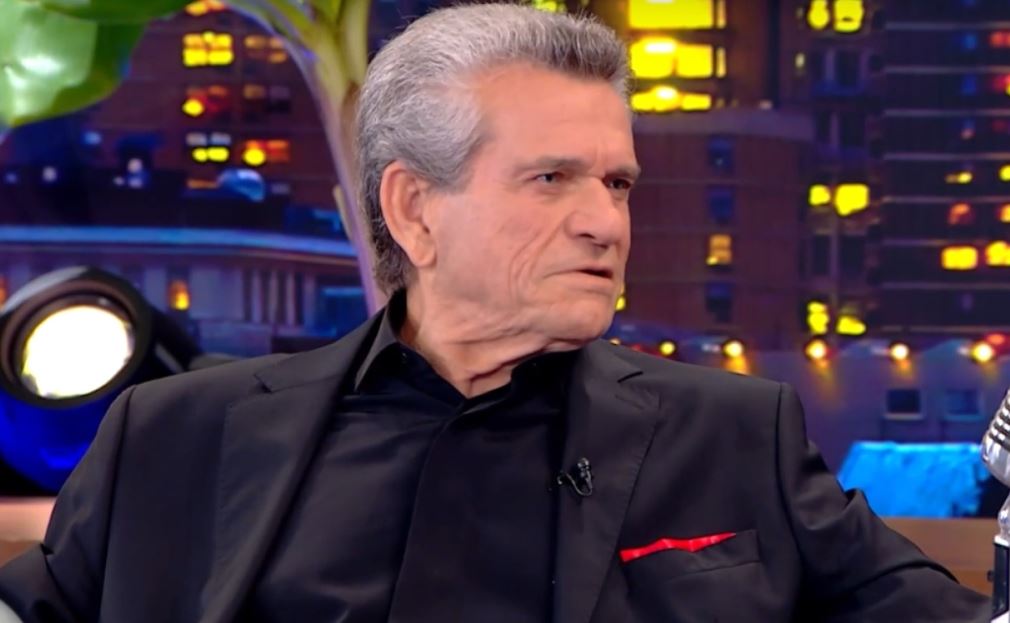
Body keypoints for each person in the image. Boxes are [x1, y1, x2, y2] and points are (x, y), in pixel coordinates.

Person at [0, 4, 992, 622]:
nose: (604, 220)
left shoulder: (734, 436)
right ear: (412, 209)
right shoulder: (176, 433)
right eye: (552, 178)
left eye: (617, 182)